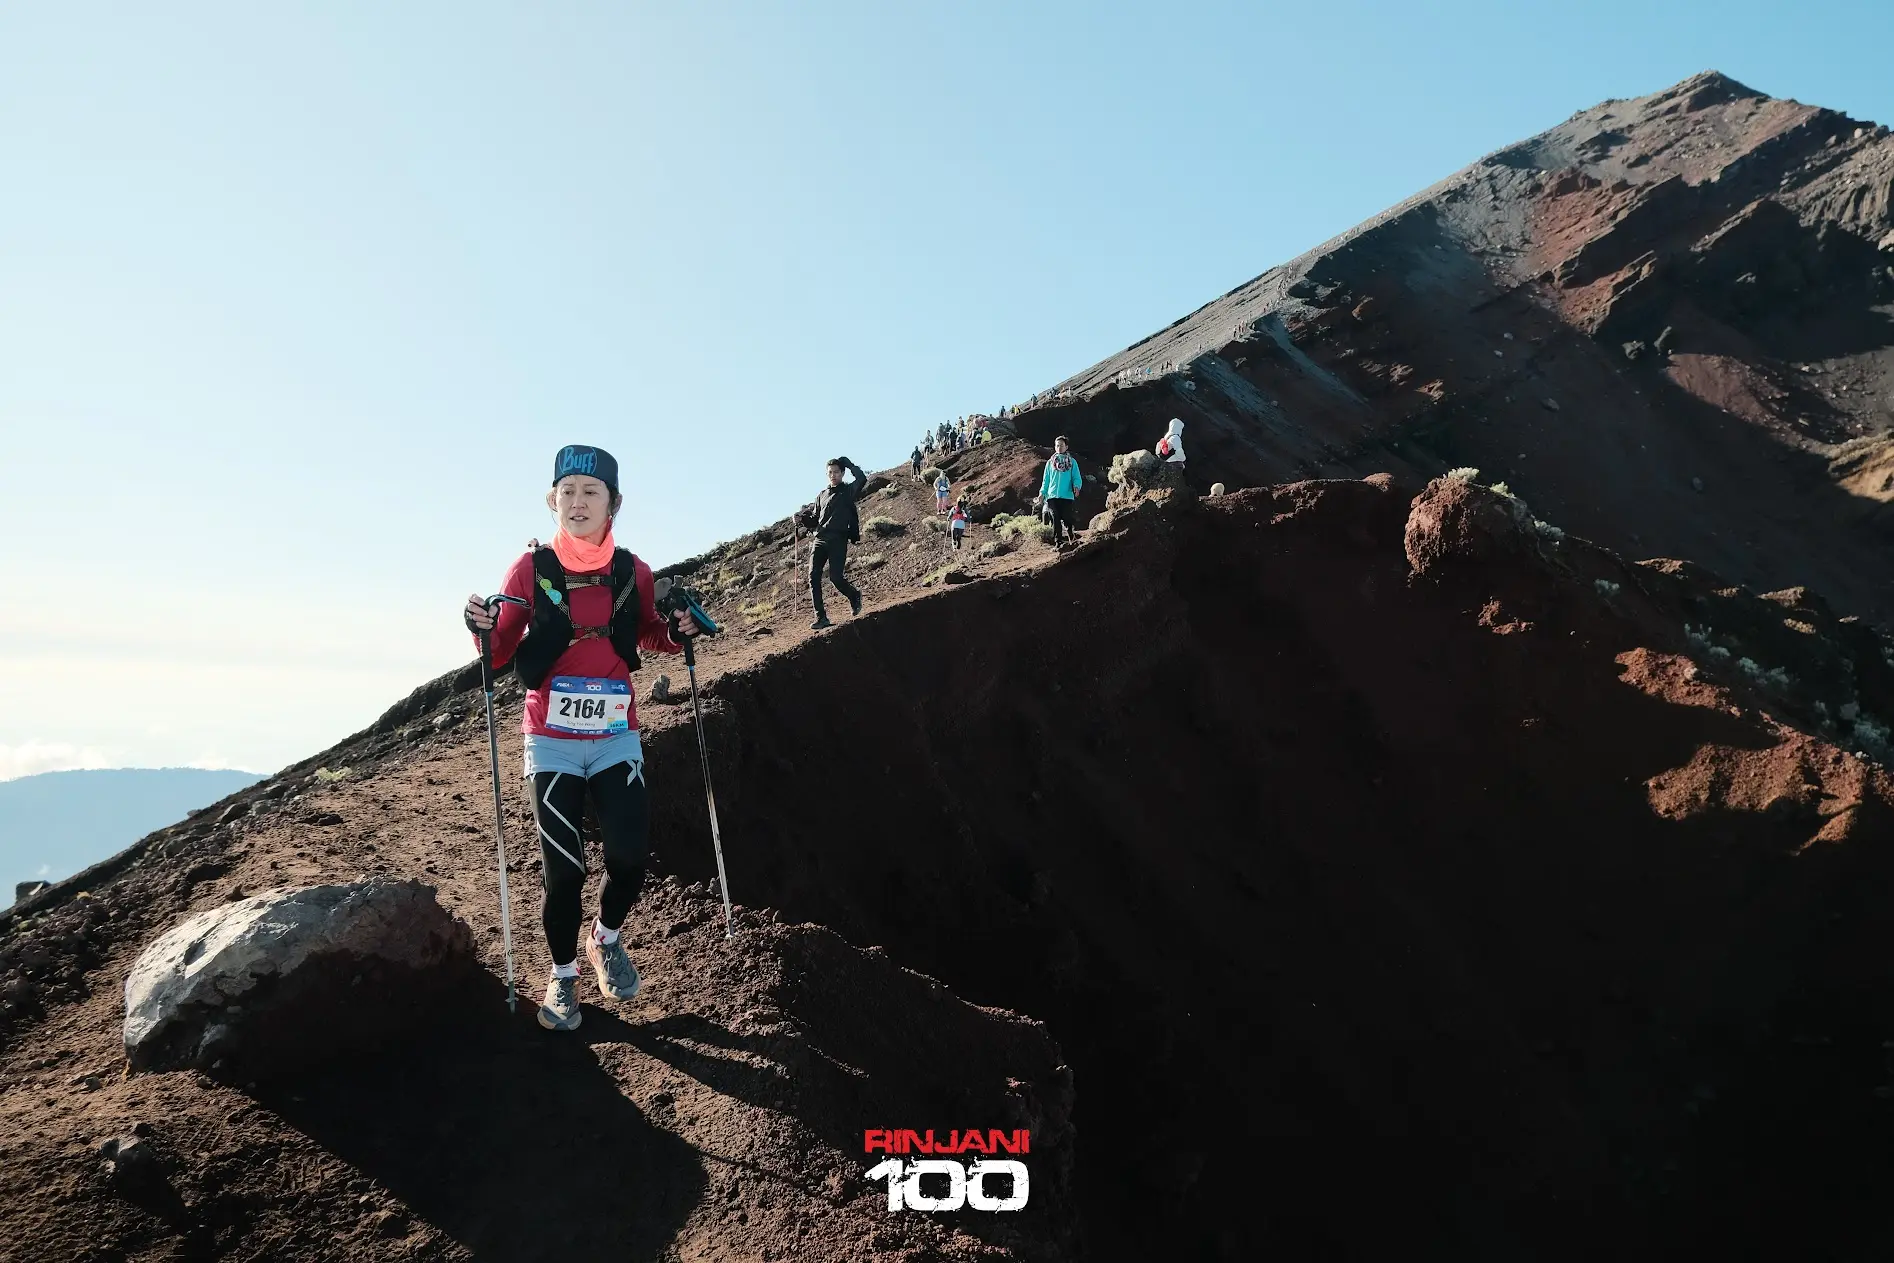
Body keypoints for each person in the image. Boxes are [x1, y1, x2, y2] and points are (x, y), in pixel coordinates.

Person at [461, 445, 702, 1034]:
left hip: (617, 735)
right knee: (563, 870)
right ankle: (563, 975)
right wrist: (482, 627)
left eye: (590, 492)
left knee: (628, 856)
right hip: (552, 739)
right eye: (566, 491)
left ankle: (605, 939)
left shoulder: (633, 572)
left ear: (613, 504)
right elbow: (500, 650)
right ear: (551, 501)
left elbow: (650, 634)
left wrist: (678, 629)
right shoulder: (529, 571)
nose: (577, 502)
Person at [798, 456, 868, 630]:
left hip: (838, 539)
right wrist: (800, 519)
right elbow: (815, 519)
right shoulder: (821, 495)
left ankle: (854, 595)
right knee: (813, 577)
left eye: (836, 472)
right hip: (820, 539)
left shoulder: (848, 491)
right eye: (830, 472)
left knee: (836, 577)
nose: (833, 475)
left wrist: (850, 464)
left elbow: (862, 479)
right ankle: (821, 617)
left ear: (842, 473)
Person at [1039, 434, 1083, 547]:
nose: (1059, 448)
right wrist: (1042, 493)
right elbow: (1046, 480)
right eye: (1057, 445)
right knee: (1055, 518)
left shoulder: (1072, 462)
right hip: (1052, 496)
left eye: (1061, 445)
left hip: (1066, 496)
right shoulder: (1050, 463)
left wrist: (1077, 487)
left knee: (1067, 517)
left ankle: (1071, 535)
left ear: (1066, 447)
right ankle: (1058, 542)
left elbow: (1076, 477)